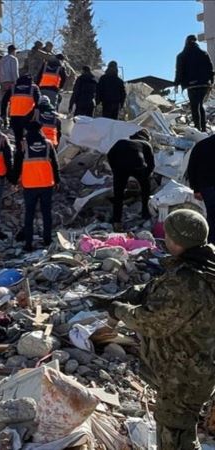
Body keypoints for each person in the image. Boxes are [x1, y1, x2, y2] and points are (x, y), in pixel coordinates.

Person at [109, 209, 215, 450]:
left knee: (175, 437)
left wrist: (119, 310)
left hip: (183, 375)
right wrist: (141, 292)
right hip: (196, 366)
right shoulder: (204, 264)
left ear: (178, 241)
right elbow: (172, 299)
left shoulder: (187, 281)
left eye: (167, 235)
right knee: (180, 432)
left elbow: (152, 323)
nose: (164, 239)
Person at [14, 121, 60, 251]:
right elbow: (55, 164)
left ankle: (28, 243)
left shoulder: (23, 145)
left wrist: (13, 180)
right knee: (46, 213)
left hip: (30, 185)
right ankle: (47, 240)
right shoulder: (48, 144)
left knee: (29, 214)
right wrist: (57, 180)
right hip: (46, 184)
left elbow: (17, 165)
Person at [107, 129, 154, 231]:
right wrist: (145, 176)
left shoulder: (121, 141)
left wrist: (115, 169)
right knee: (146, 188)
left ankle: (117, 220)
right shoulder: (146, 144)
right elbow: (151, 165)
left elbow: (109, 155)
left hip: (120, 167)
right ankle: (145, 212)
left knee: (118, 194)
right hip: (138, 165)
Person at [175, 35, 215, 132]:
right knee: (200, 105)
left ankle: (197, 128)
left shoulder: (181, 55)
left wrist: (176, 83)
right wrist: (211, 81)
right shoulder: (203, 53)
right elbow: (210, 68)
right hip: (204, 84)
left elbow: (179, 71)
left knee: (194, 106)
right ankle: (204, 129)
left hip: (191, 85)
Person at [185, 134, 215, 243]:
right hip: (208, 186)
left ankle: (211, 243)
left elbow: (191, 168)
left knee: (211, 216)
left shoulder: (201, 145)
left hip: (206, 187)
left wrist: (196, 189)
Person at [1, 74, 41, 146]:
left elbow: (4, 102)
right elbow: (39, 104)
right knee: (30, 138)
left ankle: (19, 154)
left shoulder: (12, 88)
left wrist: (4, 117)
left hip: (15, 117)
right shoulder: (34, 88)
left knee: (18, 139)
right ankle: (29, 153)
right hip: (29, 117)